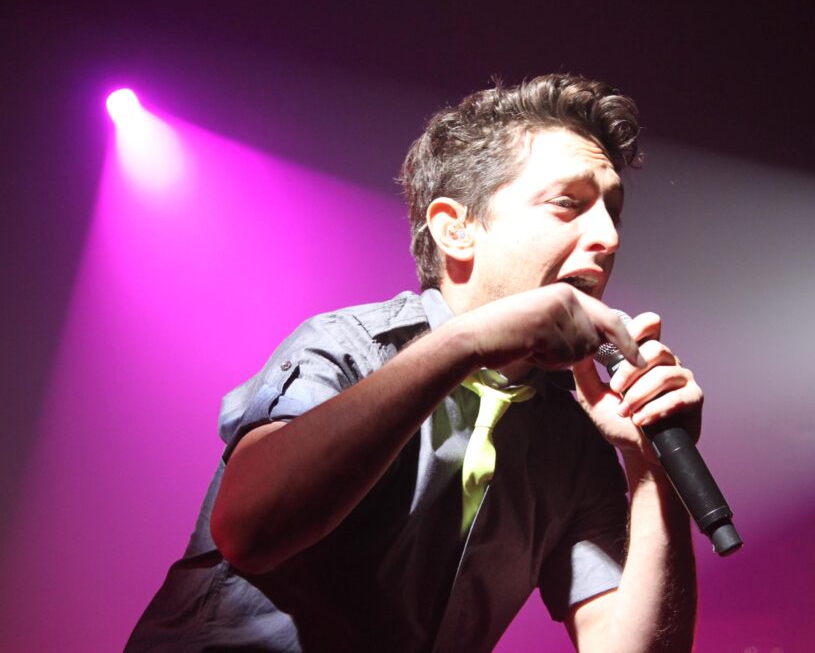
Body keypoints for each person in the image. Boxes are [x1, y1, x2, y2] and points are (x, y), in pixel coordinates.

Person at [126, 73, 702, 652]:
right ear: (457, 230)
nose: (608, 237)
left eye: (612, 212)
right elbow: (249, 532)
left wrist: (651, 468)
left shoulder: (571, 442)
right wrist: (469, 340)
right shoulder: (351, 346)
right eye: (567, 203)